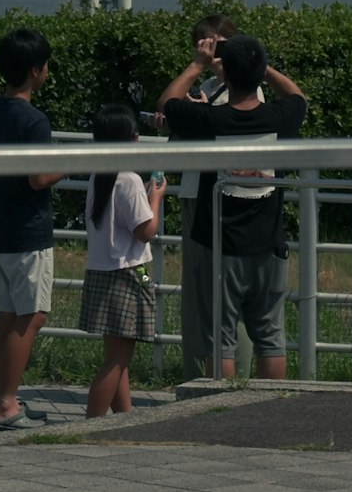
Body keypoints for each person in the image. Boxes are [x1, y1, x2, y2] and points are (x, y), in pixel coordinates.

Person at [160, 34, 304, 380]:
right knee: (270, 337)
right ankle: (271, 411)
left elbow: (168, 103)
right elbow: (298, 96)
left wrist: (197, 64)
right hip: (269, 244)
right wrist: (261, 67)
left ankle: (218, 409)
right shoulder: (280, 117)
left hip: (219, 245)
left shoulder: (210, 120)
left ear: (226, 75)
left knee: (219, 340)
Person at [0, 27, 62, 428]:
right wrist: (74, 162)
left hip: (1, 231)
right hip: (29, 233)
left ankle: (4, 397)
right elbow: (39, 178)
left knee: (8, 316)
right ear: (35, 70)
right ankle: (6, 404)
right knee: (31, 316)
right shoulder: (35, 121)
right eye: (45, 66)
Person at [77, 102, 162, 415]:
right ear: (130, 139)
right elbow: (145, 231)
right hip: (131, 272)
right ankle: (92, 423)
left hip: (108, 271)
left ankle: (123, 418)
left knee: (118, 353)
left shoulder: (100, 174)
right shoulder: (129, 180)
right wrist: (156, 197)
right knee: (119, 357)